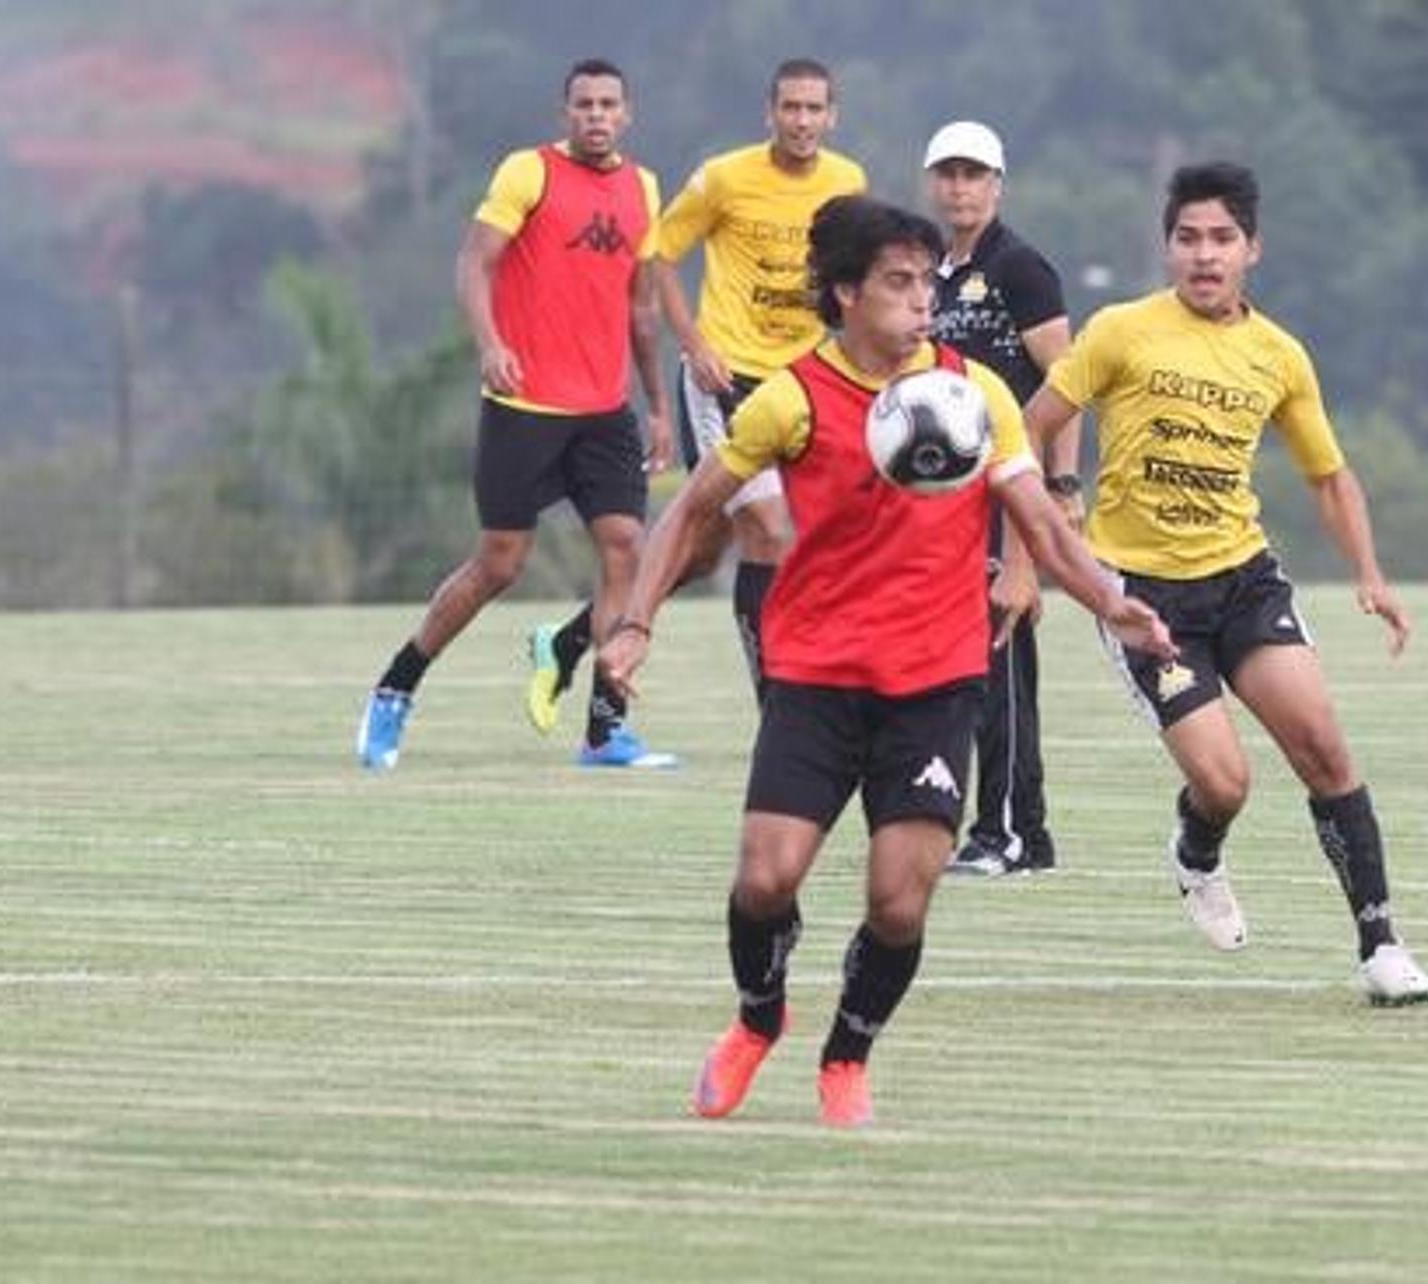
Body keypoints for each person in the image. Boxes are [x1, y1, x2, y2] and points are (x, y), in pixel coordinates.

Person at [598, 196, 1174, 1126]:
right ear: (846, 293)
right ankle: (757, 1021)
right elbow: (691, 512)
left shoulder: (974, 396)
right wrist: (634, 625)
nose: (922, 304)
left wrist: (1109, 598)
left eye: (927, 285)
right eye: (900, 285)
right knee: (764, 878)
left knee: (900, 901)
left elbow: (1040, 524)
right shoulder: (790, 398)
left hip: (936, 683)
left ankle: (847, 1058)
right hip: (818, 678)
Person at [1023, 162, 1428, 1005]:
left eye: (1222, 239)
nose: (1204, 256)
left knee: (1323, 750)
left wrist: (1370, 574)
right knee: (1225, 783)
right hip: (1144, 599)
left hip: (1245, 582)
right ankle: (1196, 851)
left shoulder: (1279, 355)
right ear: (1168, 247)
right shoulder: (1119, 331)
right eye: (1188, 239)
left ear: (1253, 249)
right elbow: (1028, 432)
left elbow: (1329, 476)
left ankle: (1381, 945)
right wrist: (1036, 538)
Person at [355, 58, 674, 772]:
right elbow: (474, 263)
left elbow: (643, 309)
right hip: (524, 403)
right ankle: (395, 686)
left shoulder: (644, 187)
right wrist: (491, 344)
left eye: (608, 104)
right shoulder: (527, 173)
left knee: (627, 549)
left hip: (604, 409)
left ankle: (604, 729)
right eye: (584, 104)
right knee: (499, 564)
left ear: (627, 114)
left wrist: (656, 405)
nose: (596, 115)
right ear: (566, 112)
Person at [524, 57, 865, 717]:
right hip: (726, 379)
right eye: (789, 108)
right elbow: (657, 253)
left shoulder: (847, 181)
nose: (801, 121)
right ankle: (779, 704)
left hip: (801, 384)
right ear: (769, 112)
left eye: (813, 109)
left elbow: (846, 270)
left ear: (832, 116)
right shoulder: (725, 177)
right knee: (770, 530)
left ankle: (566, 641)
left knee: (704, 552)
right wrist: (696, 344)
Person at [923, 120, 1078, 879]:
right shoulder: (930, 273)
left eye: (975, 175)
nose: (961, 187)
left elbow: (1068, 384)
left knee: (1001, 647)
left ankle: (1010, 832)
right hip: (946, 495)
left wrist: (1062, 487)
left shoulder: (1019, 267)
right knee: (966, 655)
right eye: (949, 173)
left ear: (998, 185)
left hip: (1007, 486)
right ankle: (1011, 828)